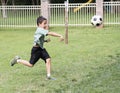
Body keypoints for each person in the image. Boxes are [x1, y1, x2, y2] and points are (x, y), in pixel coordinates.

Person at [10, 16, 64, 80]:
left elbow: (39, 40)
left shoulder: (42, 30)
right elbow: (50, 33)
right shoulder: (40, 30)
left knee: (48, 59)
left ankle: (48, 76)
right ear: (39, 24)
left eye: (46, 23)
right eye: (44, 23)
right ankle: (17, 60)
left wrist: (45, 41)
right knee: (30, 64)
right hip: (36, 50)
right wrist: (60, 35)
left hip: (41, 49)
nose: (46, 25)